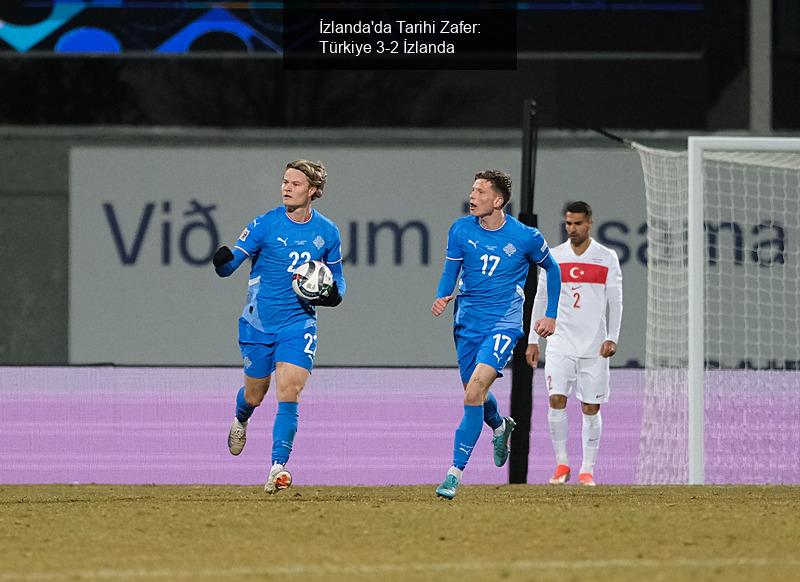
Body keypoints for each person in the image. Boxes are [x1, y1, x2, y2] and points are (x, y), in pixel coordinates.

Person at [213, 159, 345, 494]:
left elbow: (338, 285)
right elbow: (229, 268)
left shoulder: (327, 232)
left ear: (313, 191)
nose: (286, 187)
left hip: (298, 323)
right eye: (285, 181)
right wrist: (221, 260)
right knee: (255, 396)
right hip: (258, 324)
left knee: (290, 391)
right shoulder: (265, 224)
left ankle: (278, 468)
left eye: (295, 183)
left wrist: (329, 296)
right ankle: (241, 418)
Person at [431, 170, 562, 500]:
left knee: (473, 392)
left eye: (480, 191)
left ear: (498, 201)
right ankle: (501, 425)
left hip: (504, 323)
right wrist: (443, 295)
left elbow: (553, 269)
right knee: (473, 393)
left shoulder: (525, 237)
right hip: (467, 324)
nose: (472, 196)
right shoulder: (461, 229)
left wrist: (551, 313)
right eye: (472, 189)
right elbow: (451, 270)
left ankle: (453, 474)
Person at [525, 201, 622, 487]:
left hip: (594, 345)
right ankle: (562, 464)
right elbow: (540, 299)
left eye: (578, 223)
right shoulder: (553, 257)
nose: (572, 229)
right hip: (560, 341)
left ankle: (587, 469)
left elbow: (615, 300)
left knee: (591, 407)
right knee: (556, 399)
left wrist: (612, 336)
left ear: (589, 222)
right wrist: (532, 339)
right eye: (568, 223)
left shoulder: (606, 257)